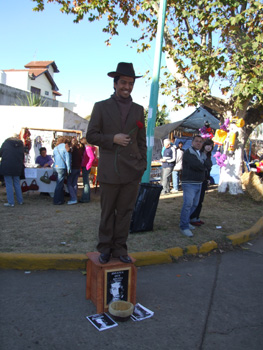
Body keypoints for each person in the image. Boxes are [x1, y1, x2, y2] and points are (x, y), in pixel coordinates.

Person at [86, 62, 147, 264]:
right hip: (109, 171)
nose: (127, 87)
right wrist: (112, 138)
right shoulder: (101, 107)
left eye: (130, 83)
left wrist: (143, 164)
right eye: (123, 83)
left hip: (132, 171)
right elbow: (91, 136)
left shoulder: (138, 110)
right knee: (107, 212)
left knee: (125, 212)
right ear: (115, 83)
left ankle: (120, 249)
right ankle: (105, 248)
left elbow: (141, 140)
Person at [179, 135, 211, 237]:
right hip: (189, 182)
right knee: (188, 204)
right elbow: (198, 166)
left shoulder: (202, 153)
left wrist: (204, 164)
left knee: (194, 204)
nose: (198, 143)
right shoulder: (188, 152)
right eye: (196, 141)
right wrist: (203, 165)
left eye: (200, 142)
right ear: (192, 142)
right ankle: (184, 226)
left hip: (199, 183)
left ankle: (186, 221)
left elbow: (209, 164)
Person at [190, 139, 213, 226]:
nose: (209, 147)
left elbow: (208, 169)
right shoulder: (199, 154)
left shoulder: (208, 156)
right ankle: (192, 218)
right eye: (208, 145)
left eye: (211, 146)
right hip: (197, 180)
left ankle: (196, 217)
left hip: (204, 180)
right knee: (195, 200)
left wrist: (207, 179)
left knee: (200, 200)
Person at [0, 134, 24, 207]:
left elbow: (1, 153)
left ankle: (11, 202)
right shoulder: (20, 145)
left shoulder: (6, 144)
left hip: (7, 166)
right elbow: (23, 156)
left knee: (9, 184)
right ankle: (20, 201)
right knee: (17, 183)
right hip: (17, 166)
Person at [52, 136, 71, 205]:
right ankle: (57, 200)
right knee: (60, 184)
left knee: (58, 183)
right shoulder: (65, 147)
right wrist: (69, 169)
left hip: (56, 166)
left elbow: (54, 157)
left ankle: (59, 199)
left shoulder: (55, 148)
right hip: (62, 167)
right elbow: (67, 159)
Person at [67, 138, 82, 205]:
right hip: (78, 168)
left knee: (69, 183)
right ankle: (74, 197)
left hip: (73, 168)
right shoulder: (79, 150)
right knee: (74, 184)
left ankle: (73, 198)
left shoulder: (72, 150)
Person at [80, 138, 94, 203]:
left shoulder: (88, 148)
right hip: (86, 166)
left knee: (86, 183)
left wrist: (88, 165)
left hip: (85, 166)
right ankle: (86, 197)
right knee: (86, 183)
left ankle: (85, 198)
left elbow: (92, 157)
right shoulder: (90, 148)